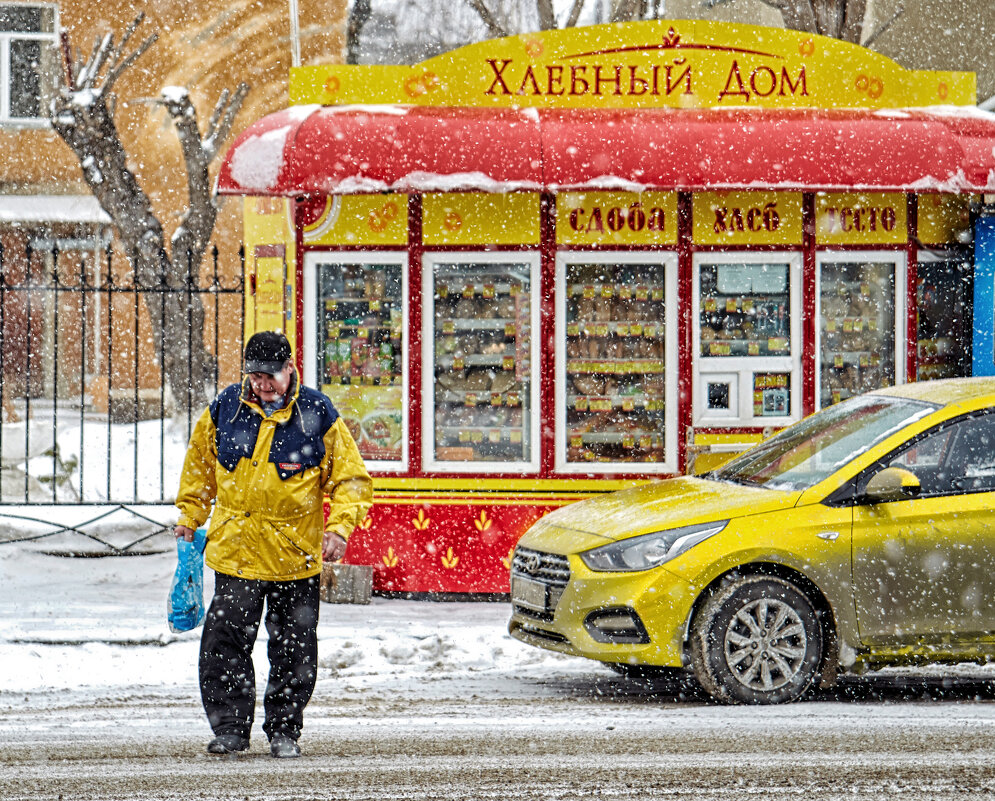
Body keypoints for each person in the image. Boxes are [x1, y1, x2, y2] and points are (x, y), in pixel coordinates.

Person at [174, 330, 372, 759]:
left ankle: (285, 731)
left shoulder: (317, 414)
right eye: (255, 375)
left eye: (271, 376)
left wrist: (339, 528)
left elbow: (352, 479)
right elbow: (199, 468)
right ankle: (229, 729)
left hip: (294, 558)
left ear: (290, 369)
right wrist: (190, 515)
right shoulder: (225, 408)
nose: (262, 385)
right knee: (223, 646)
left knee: (294, 649)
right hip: (237, 555)